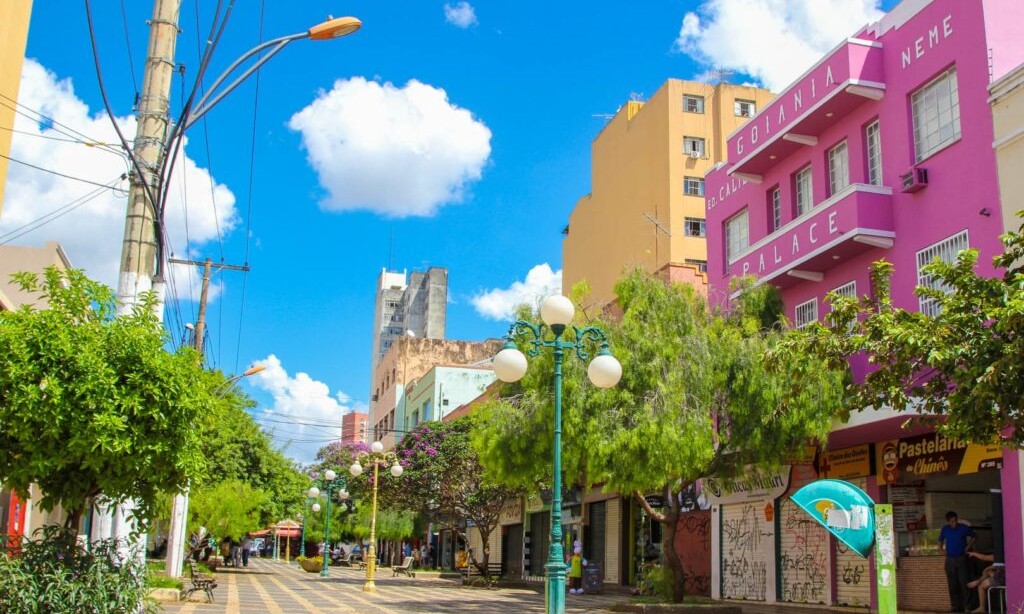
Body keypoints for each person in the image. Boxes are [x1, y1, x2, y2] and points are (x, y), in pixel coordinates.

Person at [939, 510, 976, 612]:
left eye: (955, 521)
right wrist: (940, 549)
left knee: (964, 582)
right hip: (950, 559)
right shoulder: (945, 529)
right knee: (952, 583)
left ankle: (968, 606)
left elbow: (974, 536)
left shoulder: (963, 528)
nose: (954, 523)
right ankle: (955, 606)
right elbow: (940, 540)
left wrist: (968, 547)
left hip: (961, 557)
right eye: (951, 521)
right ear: (948, 521)